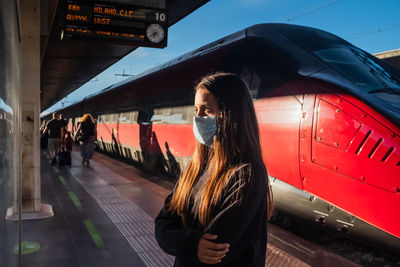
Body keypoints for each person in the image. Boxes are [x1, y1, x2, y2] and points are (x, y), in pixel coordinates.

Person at [155, 72, 273, 267]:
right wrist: (193, 244)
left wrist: (180, 239)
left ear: (232, 114)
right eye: (196, 110)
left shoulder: (247, 174)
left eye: (207, 110)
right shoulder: (195, 167)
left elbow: (215, 249)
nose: (198, 118)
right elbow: (162, 222)